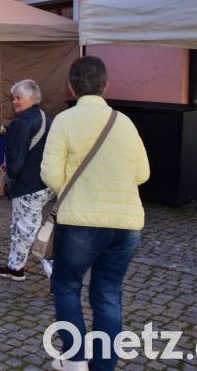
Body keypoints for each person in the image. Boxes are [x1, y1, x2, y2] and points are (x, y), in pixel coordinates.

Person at [41, 56, 149, 371]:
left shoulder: (65, 121)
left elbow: (50, 175)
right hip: (125, 225)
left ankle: (75, 359)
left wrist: (78, 190)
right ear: (106, 85)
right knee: (108, 293)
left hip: (80, 223)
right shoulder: (124, 122)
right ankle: (103, 365)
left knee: (66, 286)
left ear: (71, 86)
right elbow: (142, 173)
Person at [0, 79, 54, 281]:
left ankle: (58, 276)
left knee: (31, 232)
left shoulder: (20, 123)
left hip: (28, 185)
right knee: (21, 227)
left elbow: (16, 161)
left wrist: (8, 177)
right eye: (13, 98)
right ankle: (15, 267)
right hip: (45, 183)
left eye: (18, 98)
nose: (14, 102)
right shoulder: (47, 118)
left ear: (31, 98)